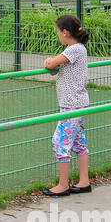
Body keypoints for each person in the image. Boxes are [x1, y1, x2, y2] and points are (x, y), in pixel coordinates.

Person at [42, 14, 91, 197]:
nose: (57, 35)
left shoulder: (74, 49)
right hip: (76, 103)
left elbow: (52, 63)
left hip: (72, 105)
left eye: (58, 32)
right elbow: (56, 70)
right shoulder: (75, 50)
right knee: (78, 141)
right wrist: (53, 66)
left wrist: (48, 62)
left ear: (65, 32)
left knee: (60, 141)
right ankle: (84, 181)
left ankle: (63, 185)